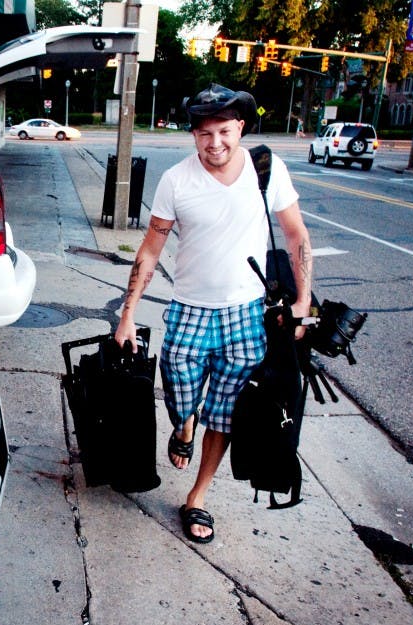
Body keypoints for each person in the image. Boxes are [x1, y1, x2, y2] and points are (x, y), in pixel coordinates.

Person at [115, 83, 312, 545]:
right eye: (204, 133)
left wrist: (303, 301)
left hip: (246, 315)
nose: (215, 143)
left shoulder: (267, 170)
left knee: (224, 416)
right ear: (194, 134)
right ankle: (184, 425)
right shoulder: (176, 181)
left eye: (224, 131)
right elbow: (150, 249)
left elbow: (296, 235)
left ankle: (197, 497)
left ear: (240, 127)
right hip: (189, 310)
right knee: (179, 391)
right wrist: (127, 314)